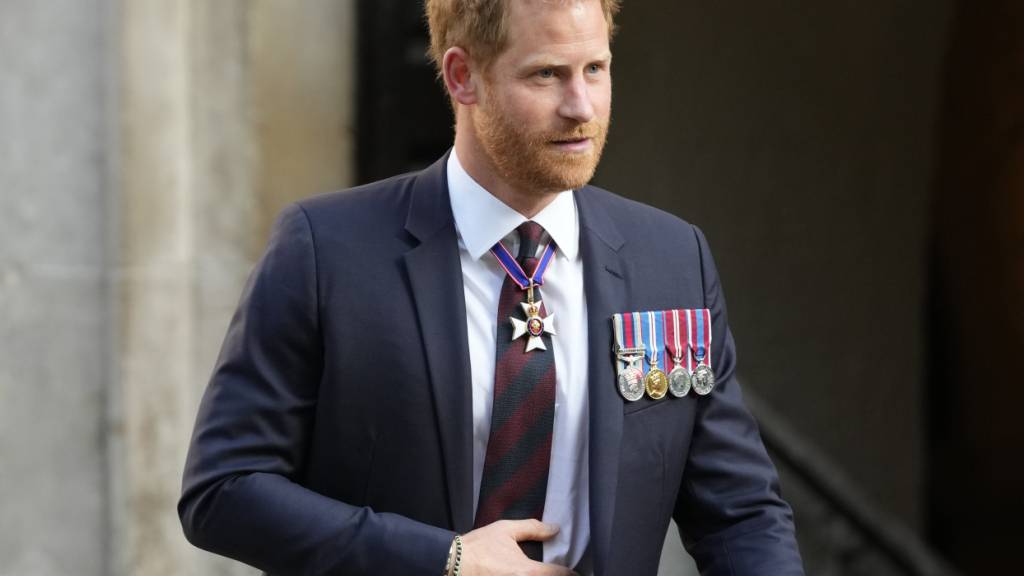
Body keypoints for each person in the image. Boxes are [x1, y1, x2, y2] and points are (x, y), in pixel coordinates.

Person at [178, 1, 805, 575]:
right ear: (462, 77)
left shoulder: (672, 259)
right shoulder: (325, 250)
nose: (581, 105)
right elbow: (224, 489)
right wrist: (445, 561)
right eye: (546, 75)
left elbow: (740, 512)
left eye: (595, 68)